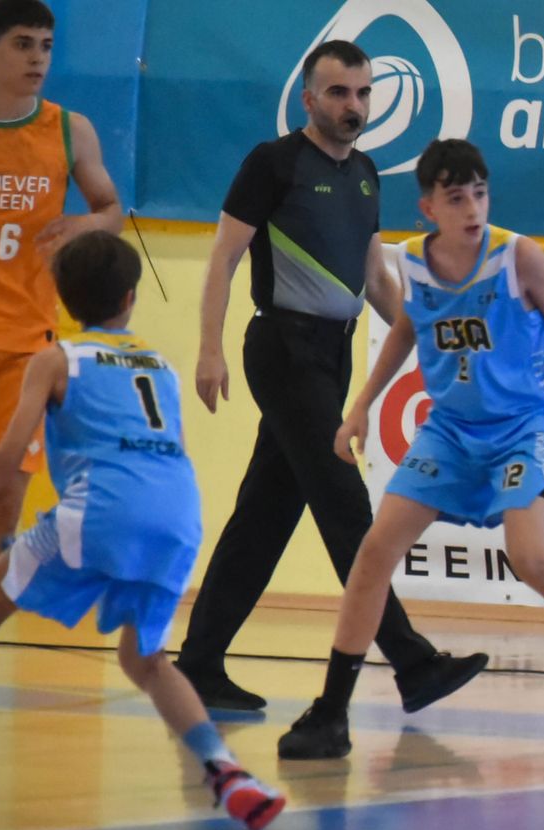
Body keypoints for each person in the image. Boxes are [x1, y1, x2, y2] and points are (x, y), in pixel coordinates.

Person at [276, 138, 544, 763]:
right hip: (452, 429)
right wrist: (361, 404)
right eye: (456, 198)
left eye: (480, 194)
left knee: (530, 556)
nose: (472, 208)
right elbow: (407, 328)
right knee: (374, 550)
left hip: (525, 425)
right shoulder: (413, 263)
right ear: (428, 208)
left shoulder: (518, 257)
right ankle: (332, 713)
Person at [175, 39, 487, 714]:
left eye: (364, 93)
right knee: (345, 502)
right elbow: (225, 256)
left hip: (332, 354)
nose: (354, 105)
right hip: (283, 350)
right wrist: (209, 349)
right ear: (310, 98)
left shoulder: (367, 173)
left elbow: (375, 278)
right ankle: (412, 663)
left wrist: (434, 342)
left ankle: (197, 664)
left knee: (265, 514)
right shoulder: (274, 163)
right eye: (340, 93)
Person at [0, 230, 284, 830]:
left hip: (100, 510)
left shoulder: (57, 358)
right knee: (145, 660)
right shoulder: (161, 366)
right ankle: (226, 770)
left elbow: (7, 463)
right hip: (177, 519)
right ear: (130, 297)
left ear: (63, 300)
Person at [0, 0, 124, 551]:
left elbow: (111, 209)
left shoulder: (70, 129)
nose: (37, 58)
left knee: (4, 499)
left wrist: (85, 224)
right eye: (23, 44)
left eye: (46, 46)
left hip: (25, 345)